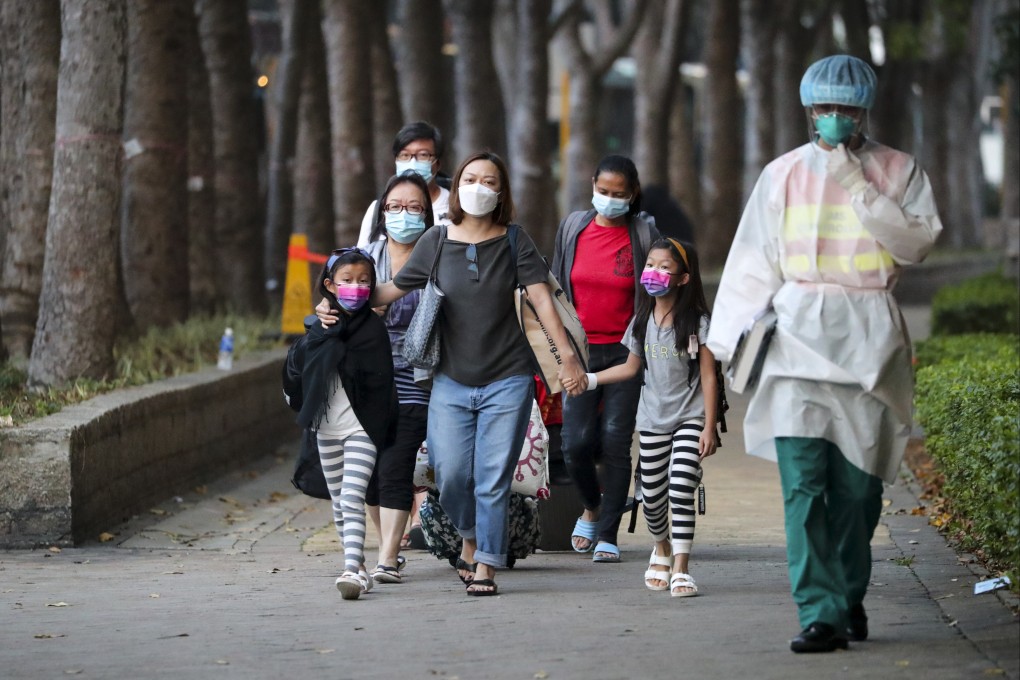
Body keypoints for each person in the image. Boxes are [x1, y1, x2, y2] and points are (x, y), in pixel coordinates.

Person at [706, 55, 943, 652]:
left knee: (859, 491)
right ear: (809, 110)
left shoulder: (900, 170)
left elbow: (915, 244)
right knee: (803, 486)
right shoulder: (782, 173)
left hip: (870, 341)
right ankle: (819, 611)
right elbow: (753, 259)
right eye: (824, 108)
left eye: (846, 108)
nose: (834, 118)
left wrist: (857, 184)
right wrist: (725, 344)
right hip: (795, 341)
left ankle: (848, 595)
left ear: (864, 109)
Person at [321, 151, 586, 596]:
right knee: (451, 473)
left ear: (500, 193)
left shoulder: (515, 241)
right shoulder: (437, 241)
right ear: (458, 186)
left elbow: (542, 301)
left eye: (489, 180)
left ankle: (485, 563)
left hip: (509, 377)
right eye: (470, 178)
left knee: (492, 475)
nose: (478, 186)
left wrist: (570, 361)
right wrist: (341, 299)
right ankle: (469, 536)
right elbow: (391, 288)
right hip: (449, 380)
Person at [564, 237, 717, 595]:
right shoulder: (643, 318)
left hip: (689, 418)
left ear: (683, 278)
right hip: (651, 422)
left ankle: (681, 566)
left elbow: (709, 376)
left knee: (680, 487)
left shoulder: (698, 322)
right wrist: (589, 381)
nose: (655, 273)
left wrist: (708, 427)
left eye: (665, 268)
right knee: (651, 498)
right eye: (650, 265)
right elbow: (631, 367)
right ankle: (660, 547)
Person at [551, 154, 660, 563]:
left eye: (619, 194)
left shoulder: (644, 233)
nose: (610, 200)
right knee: (575, 442)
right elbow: (557, 289)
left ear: (632, 195)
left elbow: (656, 288)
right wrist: (560, 350)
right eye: (603, 191)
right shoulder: (573, 227)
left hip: (626, 352)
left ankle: (609, 535)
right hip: (577, 351)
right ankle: (592, 507)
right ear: (593, 185)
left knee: (615, 440)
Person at [296, 248, 399, 600]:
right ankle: (355, 565)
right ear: (330, 284)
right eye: (347, 281)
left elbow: (382, 384)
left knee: (352, 496)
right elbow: (300, 369)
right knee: (339, 501)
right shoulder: (320, 325)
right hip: (326, 428)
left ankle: (353, 568)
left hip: (362, 428)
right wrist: (320, 330)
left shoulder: (373, 330)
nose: (356, 287)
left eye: (364, 281)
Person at [360, 171, 435, 584]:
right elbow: (338, 297)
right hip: (370, 378)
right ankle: (388, 540)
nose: (403, 214)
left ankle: (387, 557)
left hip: (418, 378)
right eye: (394, 207)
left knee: (395, 463)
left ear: (427, 213)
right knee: (370, 475)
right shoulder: (366, 256)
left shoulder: (440, 254)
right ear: (382, 211)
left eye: (413, 207)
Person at [357, 121, 451, 246]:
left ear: (437, 163)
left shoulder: (456, 205)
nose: (412, 162)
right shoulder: (378, 209)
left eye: (423, 155)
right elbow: (363, 256)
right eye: (404, 155)